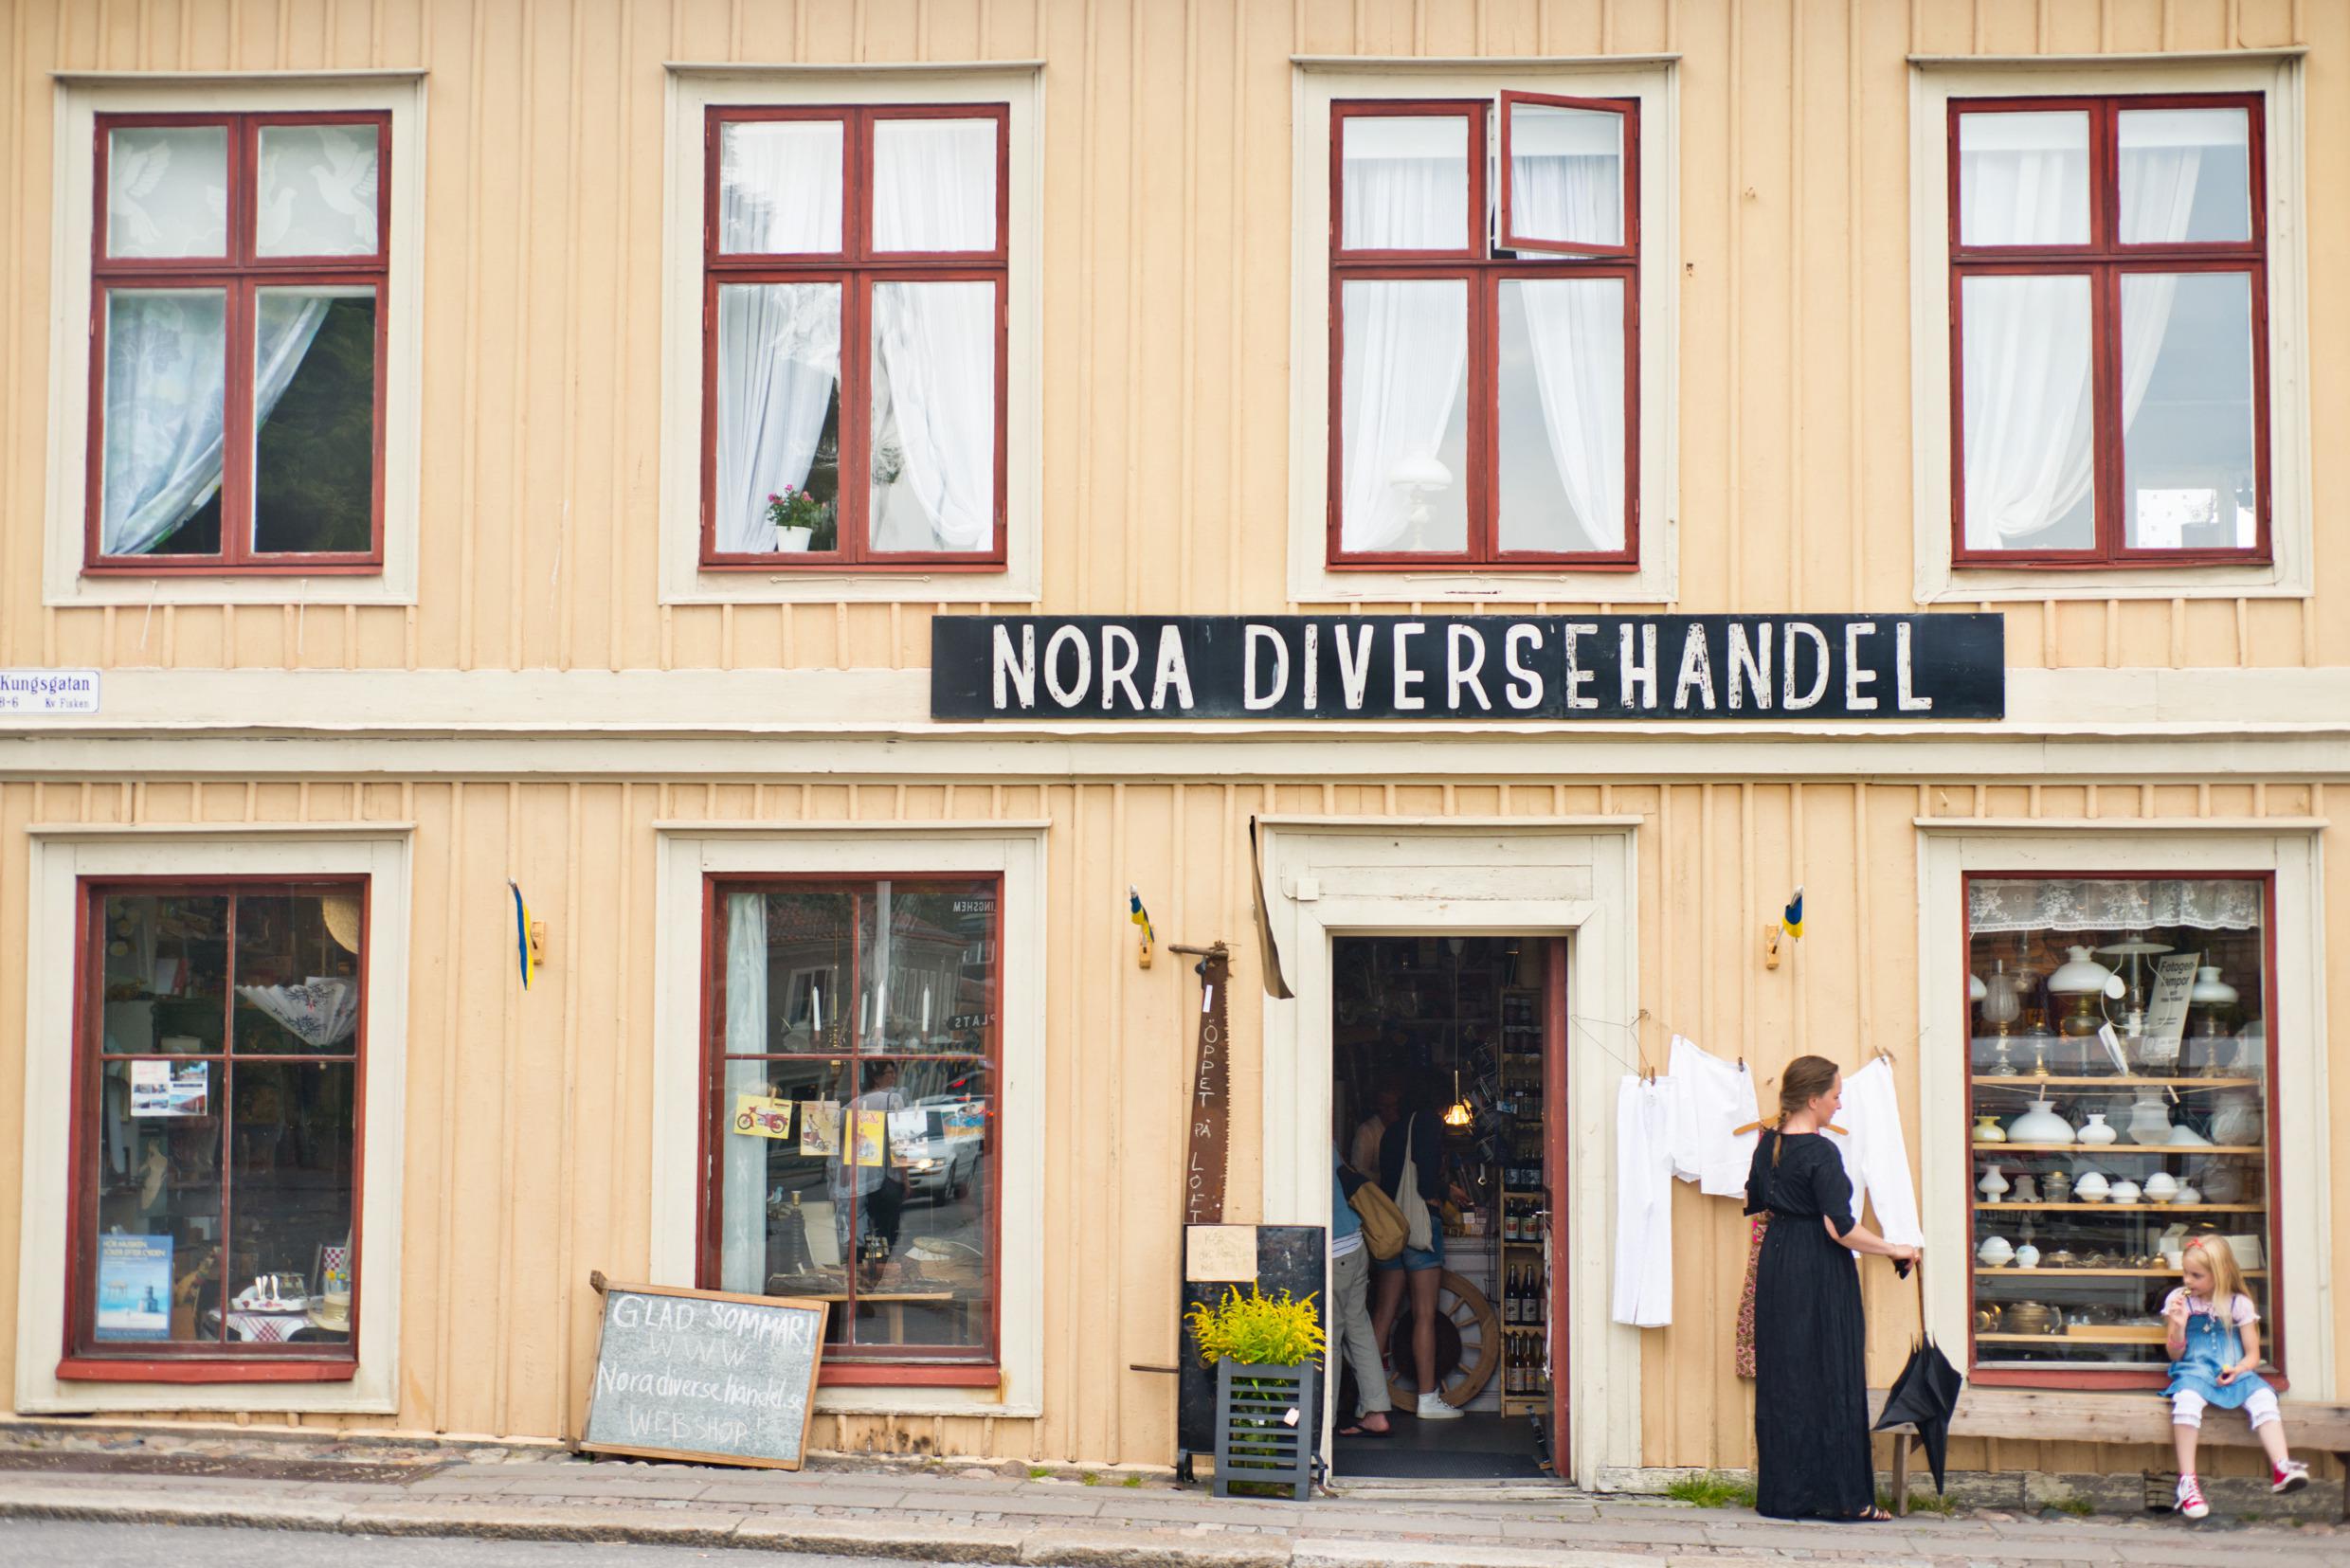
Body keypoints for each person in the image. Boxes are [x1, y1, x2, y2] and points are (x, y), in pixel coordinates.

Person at [1744, 1054, 1918, 1521]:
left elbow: (1757, 1199)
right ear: (1814, 1098)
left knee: (1785, 1379)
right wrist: (1894, 1247)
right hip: (1819, 1270)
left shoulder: (1767, 1145)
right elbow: (1840, 1228)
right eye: (1836, 1096)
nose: (1840, 1105)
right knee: (1833, 1375)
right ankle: (1846, 1498)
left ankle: (1784, 1497)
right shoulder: (1821, 1152)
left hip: (1778, 1263)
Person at [2163, 1235, 2307, 1518]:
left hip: (2233, 1371)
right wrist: (2179, 1326)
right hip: (2193, 1371)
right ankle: (2188, 1482)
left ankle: (2281, 1466)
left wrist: (2239, 1370)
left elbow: (2252, 1355)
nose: (2188, 1280)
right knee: (2187, 1401)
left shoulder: (2238, 1304)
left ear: (2220, 1274)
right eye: (2185, 1273)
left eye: (2196, 1275)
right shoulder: (2180, 1302)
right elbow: (2174, 1354)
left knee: (2264, 1397)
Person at [1369, 1076, 1470, 1421]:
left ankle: (1369, 1400)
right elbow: (1425, 1179)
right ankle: (1427, 1398)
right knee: (1425, 1314)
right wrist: (1442, 1192)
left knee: (1383, 1315)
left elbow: (1390, 1177)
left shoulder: (1393, 1131)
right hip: (1420, 1229)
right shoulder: (1426, 1123)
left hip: (1391, 1228)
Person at [1329, 1146, 1394, 1437]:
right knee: (1359, 1329)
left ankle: (1323, 1422)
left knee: (1329, 1336)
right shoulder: (1329, 1143)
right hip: (1355, 1244)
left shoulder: (1304, 1132)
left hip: (1332, 1249)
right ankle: (1376, 1411)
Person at [1350, 1088, 1400, 1179]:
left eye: (1394, 1105)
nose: (1389, 1110)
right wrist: (1387, 1179)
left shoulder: (1403, 1130)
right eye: (1384, 1105)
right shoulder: (1366, 1131)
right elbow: (1358, 1170)